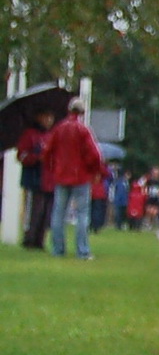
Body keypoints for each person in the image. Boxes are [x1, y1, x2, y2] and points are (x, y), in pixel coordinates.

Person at [42, 97, 105, 259]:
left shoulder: (59, 129)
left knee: (58, 213)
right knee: (82, 213)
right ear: (82, 112)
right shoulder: (83, 130)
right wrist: (95, 171)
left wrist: (52, 169)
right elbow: (94, 155)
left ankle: (58, 249)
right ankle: (82, 250)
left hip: (61, 175)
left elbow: (47, 151)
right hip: (81, 176)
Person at [16, 110, 56, 249]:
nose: (49, 120)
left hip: (49, 181)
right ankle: (29, 238)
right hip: (33, 179)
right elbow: (21, 156)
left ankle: (40, 240)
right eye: (46, 116)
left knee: (46, 212)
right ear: (39, 117)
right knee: (34, 210)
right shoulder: (30, 135)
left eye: (51, 117)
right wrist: (35, 158)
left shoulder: (52, 135)